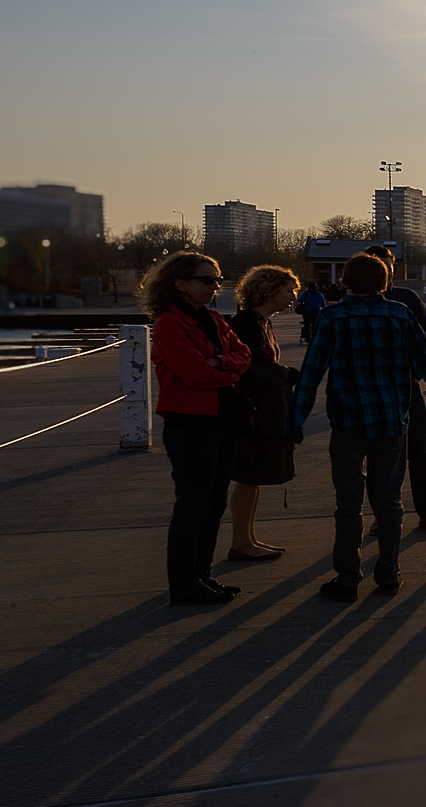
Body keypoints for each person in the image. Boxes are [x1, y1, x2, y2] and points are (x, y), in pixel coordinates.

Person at [289, 252, 426, 601]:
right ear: (385, 281)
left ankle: (347, 578)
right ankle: (388, 572)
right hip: (391, 422)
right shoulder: (399, 314)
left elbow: (311, 374)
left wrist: (296, 421)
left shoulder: (332, 316)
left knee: (348, 504)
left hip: (347, 423)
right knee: (389, 502)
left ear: (345, 280)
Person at [143, 251, 250, 606]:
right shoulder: (169, 325)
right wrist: (225, 369)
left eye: (217, 279)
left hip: (223, 419)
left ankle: (201, 574)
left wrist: (220, 362)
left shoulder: (213, 319)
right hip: (190, 424)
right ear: (181, 284)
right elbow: (194, 374)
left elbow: (244, 355)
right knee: (192, 504)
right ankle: (185, 583)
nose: (215, 286)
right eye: (207, 280)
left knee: (214, 502)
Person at [360, 244, 426, 533]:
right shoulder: (356, 303)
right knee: (377, 456)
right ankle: (381, 515)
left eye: (389, 265)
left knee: (420, 452)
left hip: (406, 388)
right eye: (379, 266)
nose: (386, 272)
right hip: (371, 393)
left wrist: (414, 373)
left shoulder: (407, 298)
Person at [227, 265, 301, 562]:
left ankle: (247, 538)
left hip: (260, 409)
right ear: (269, 290)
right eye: (288, 290)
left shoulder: (262, 322)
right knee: (247, 477)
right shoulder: (247, 322)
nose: (293, 297)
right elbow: (241, 368)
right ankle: (241, 542)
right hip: (252, 411)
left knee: (252, 477)